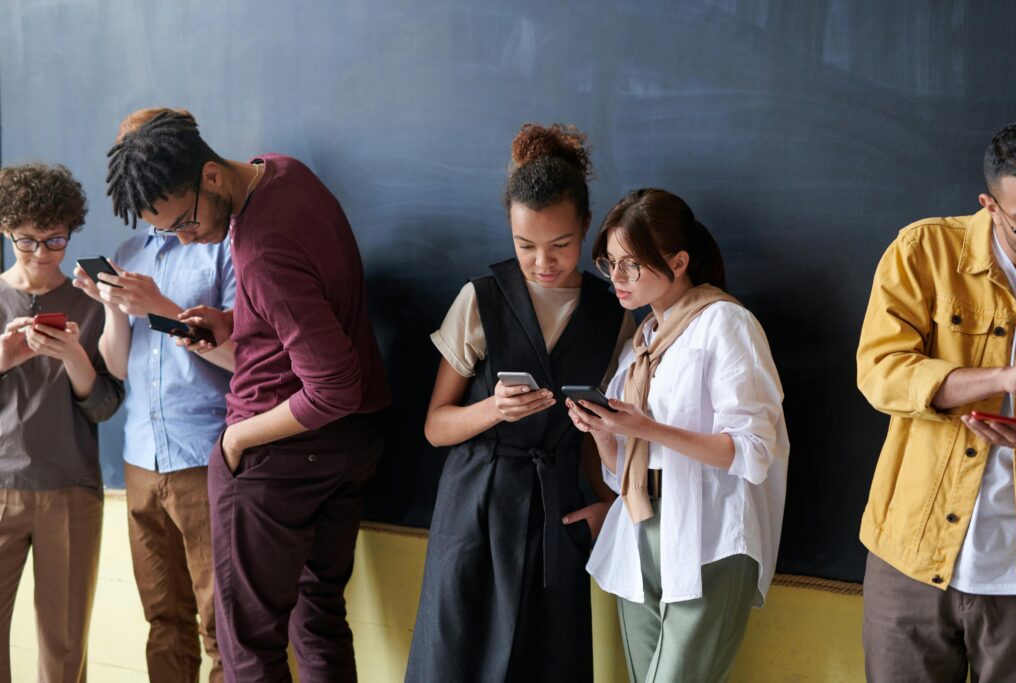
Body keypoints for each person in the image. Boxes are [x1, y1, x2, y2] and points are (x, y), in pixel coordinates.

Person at [104, 110, 391, 683]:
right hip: (354, 443)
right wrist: (237, 321)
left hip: (280, 453)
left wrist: (237, 438)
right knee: (318, 620)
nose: (185, 239)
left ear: (211, 176)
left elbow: (333, 387)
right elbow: (308, 306)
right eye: (168, 233)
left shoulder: (259, 248)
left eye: (184, 223)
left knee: (247, 652)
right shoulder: (284, 172)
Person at [405, 123, 634, 683]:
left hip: (555, 511)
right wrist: (493, 410)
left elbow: (595, 435)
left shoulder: (614, 316)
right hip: (475, 507)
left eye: (559, 245)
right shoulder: (480, 300)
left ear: (585, 227)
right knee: (456, 660)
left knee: (545, 660)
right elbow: (436, 426)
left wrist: (613, 507)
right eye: (524, 245)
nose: (542, 262)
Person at [568, 188, 788, 683]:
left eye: (632, 265)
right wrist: (603, 430)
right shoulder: (641, 342)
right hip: (640, 524)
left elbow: (754, 451)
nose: (617, 279)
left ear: (679, 261)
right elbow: (621, 464)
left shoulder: (726, 324)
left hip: (709, 531)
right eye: (610, 263)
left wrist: (647, 427)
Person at [857, 120, 1016, 681]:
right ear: (990, 205)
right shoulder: (925, 249)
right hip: (912, 549)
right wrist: (1003, 379)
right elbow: (880, 372)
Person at [72, 107, 235, 683]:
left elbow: (245, 359)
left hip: (206, 456)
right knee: (163, 620)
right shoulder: (130, 251)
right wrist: (114, 307)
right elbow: (117, 365)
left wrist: (162, 307)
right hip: (141, 459)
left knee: (223, 625)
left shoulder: (222, 244)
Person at [0, 163, 124, 681]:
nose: (42, 255)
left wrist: (74, 356)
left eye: (55, 240)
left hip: (70, 489)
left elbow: (105, 405)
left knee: (64, 649)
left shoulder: (90, 301)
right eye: (27, 241)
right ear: (7, 230)